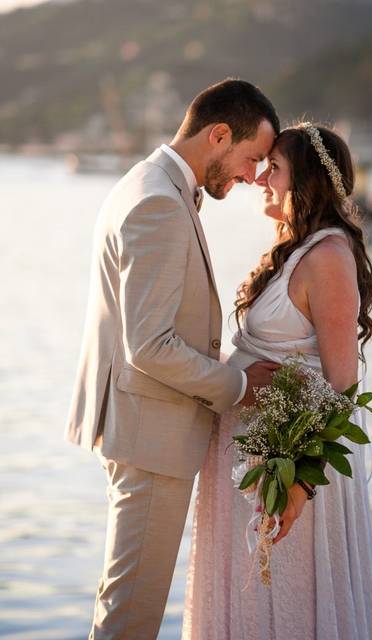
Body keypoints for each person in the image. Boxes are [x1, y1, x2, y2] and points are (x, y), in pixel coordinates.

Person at [64, 78, 283, 639]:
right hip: (151, 435)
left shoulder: (150, 182)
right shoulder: (160, 202)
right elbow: (151, 346)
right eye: (251, 157)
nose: (252, 175)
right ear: (217, 135)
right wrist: (236, 384)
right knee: (131, 618)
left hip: (140, 427)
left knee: (125, 603)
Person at [183, 123, 372, 639]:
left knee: (284, 603)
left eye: (274, 168)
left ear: (307, 180)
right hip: (249, 452)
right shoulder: (296, 250)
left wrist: (297, 484)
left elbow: (342, 386)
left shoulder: (329, 257)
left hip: (291, 470)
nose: (261, 179)